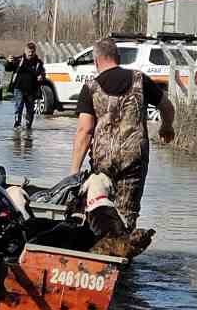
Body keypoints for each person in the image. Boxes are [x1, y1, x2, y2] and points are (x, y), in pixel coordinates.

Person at [68, 38, 175, 234]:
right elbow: (167, 107)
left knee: (98, 209)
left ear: (96, 62)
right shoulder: (139, 79)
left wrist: (74, 173)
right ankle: (123, 254)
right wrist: (166, 127)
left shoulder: (90, 87)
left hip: (103, 162)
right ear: (118, 57)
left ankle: (98, 251)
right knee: (127, 214)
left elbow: (85, 131)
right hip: (133, 159)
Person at [5, 41, 47, 131]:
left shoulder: (38, 63)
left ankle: (28, 126)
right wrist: (8, 62)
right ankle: (17, 124)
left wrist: (41, 77)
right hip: (19, 88)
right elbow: (8, 69)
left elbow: (43, 73)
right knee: (18, 106)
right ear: (25, 51)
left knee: (30, 109)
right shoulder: (19, 60)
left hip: (31, 90)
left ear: (35, 51)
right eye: (29, 51)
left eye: (32, 52)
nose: (30, 54)